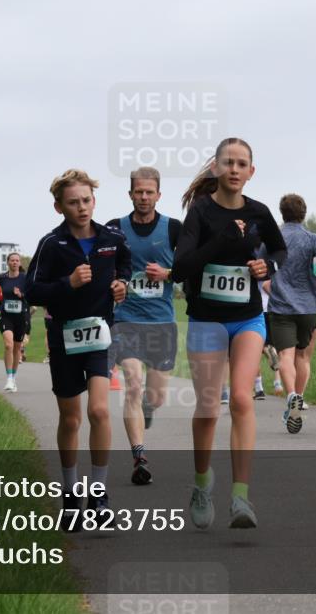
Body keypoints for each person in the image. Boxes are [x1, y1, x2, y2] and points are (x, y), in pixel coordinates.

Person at [171, 138, 286, 530]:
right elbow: (181, 268)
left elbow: (279, 251)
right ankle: (202, 483)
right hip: (207, 320)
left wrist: (267, 266)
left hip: (248, 318)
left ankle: (240, 496)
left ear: (251, 171)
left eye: (241, 164)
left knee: (240, 398)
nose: (234, 169)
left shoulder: (259, 212)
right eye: (228, 163)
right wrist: (221, 241)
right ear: (216, 168)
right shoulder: (201, 212)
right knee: (208, 408)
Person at [25, 169, 131, 530]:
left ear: (94, 201)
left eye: (86, 200)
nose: (82, 207)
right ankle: (71, 495)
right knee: (70, 419)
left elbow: (125, 264)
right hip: (64, 337)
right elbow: (32, 290)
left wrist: (122, 284)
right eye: (73, 202)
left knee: (99, 410)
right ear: (59, 207)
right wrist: (67, 283)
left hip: (100, 334)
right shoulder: (51, 244)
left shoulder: (111, 238)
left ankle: (99, 497)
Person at [106, 166, 182, 486]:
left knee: (156, 396)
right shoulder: (114, 228)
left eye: (149, 192)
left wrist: (168, 274)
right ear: (130, 194)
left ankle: (149, 407)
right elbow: (102, 267)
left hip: (162, 322)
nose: (144, 197)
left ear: (159, 195)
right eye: (139, 191)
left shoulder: (174, 228)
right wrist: (114, 284)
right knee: (133, 385)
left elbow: (190, 266)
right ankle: (139, 457)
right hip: (126, 320)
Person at [261, 194, 316, 434]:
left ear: (282, 213)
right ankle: (299, 398)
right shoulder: (312, 238)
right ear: (304, 213)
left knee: (285, 354)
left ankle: (292, 396)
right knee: (303, 357)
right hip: (308, 306)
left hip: (281, 305)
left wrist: (270, 278)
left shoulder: (273, 237)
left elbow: (259, 261)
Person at [0, 253, 29, 391]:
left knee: (17, 348)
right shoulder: (2, 278)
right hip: (6, 316)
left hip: (21, 317)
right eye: (12, 260)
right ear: (8, 262)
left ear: (19, 263)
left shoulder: (25, 278)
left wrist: (21, 295)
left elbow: (32, 294)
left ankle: (13, 377)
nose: (15, 262)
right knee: (8, 345)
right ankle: (8, 378)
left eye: (17, 260)